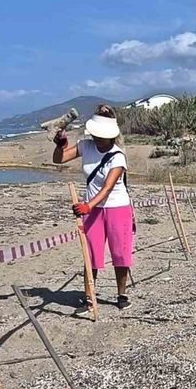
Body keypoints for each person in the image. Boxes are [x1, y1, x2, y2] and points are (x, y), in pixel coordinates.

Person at [52, 105, 132, 312]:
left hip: (117, 207)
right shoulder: (85, 146)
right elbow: (58, 159)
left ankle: (122, 294)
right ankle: (89, 296)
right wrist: (60, 144)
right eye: (94, 134)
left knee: (120, 253)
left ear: (110, 136)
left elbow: (107, 188)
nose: (96, 138)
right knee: (91, 252)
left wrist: (88, 205)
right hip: (92, 209)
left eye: (100, 136)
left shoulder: (118, 156)